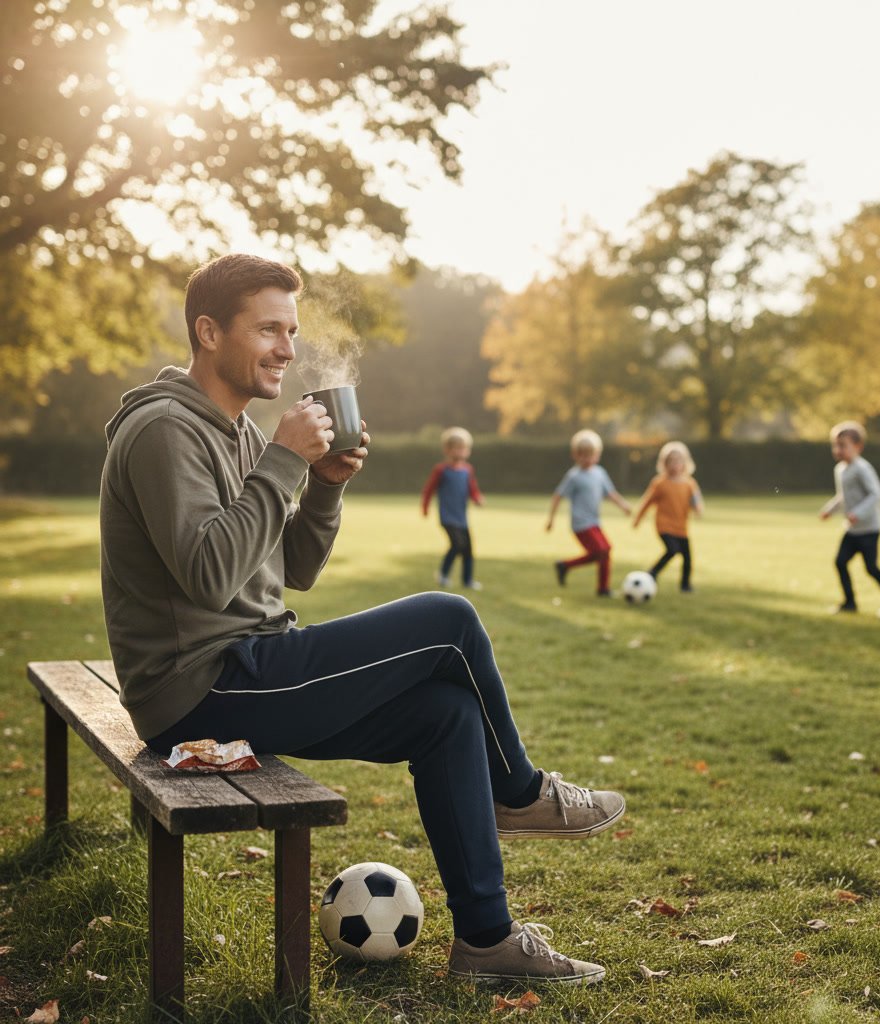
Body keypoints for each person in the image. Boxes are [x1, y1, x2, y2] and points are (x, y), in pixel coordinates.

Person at [99, 254, 625, 985]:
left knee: (445, 714)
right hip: (198, 691)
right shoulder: (165, 430)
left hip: (252, 666)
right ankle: (520, 791)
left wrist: (320, 487)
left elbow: (289, 569)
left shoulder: (239, 430)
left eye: (292, 331)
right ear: (209, 332)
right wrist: (285, 460)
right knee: (448, 618)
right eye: (269, 330)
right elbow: (210, 575)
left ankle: (487, 941)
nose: (287, 348)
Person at [819, 421, 880, 616]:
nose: (838, 450)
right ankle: (849, 603)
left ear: (858, 446)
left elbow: (876, 494)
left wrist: (858, 513)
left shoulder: (862, 468)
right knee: (840, 562)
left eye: (843, 445)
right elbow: (843, 496)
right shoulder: (840, 469)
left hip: (869, 529)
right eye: (835, 445)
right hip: (852, 530)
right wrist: (829, 510)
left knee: (871, 568)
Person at [546, 429, 631, 597]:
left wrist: (623, 506)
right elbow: (558, 496)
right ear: (575, 455)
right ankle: (601, 588)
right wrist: (551, 519)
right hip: (580, 523)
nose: (587, 459)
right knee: (602, 550)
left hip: (594, 521)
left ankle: (567, 567)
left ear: (597, 455)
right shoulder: (574, 476)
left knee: (604, 551)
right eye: (583, 455)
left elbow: (610, 493)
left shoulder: (600, 473)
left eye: (591, 455)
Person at [632, 441, 704, 592]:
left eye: (678, 461)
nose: (674, 465)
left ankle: (685, 585)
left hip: (681, 527)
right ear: (664, 464)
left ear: (685, 463)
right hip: (664, 525)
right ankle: (653, 573)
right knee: (672, 550)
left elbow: (696, 501)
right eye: (671, 461)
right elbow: (647, 502)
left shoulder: (690, 484)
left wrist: (698, 509)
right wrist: (638, 519)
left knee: (687, 557)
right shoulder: (660, 483)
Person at [421, 426, 484, 590]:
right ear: (447, 450)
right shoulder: (441, 470)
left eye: (464, 448)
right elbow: (429, 489)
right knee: (457, 544)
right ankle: (443, 574)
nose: (461, 451)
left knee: (468, 549)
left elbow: (472, 489)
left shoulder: (467, 470)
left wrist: (477, 499)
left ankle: (468, 580)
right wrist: (425, 507)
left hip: (462, 518)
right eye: (457, 448)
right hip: (447, 517)